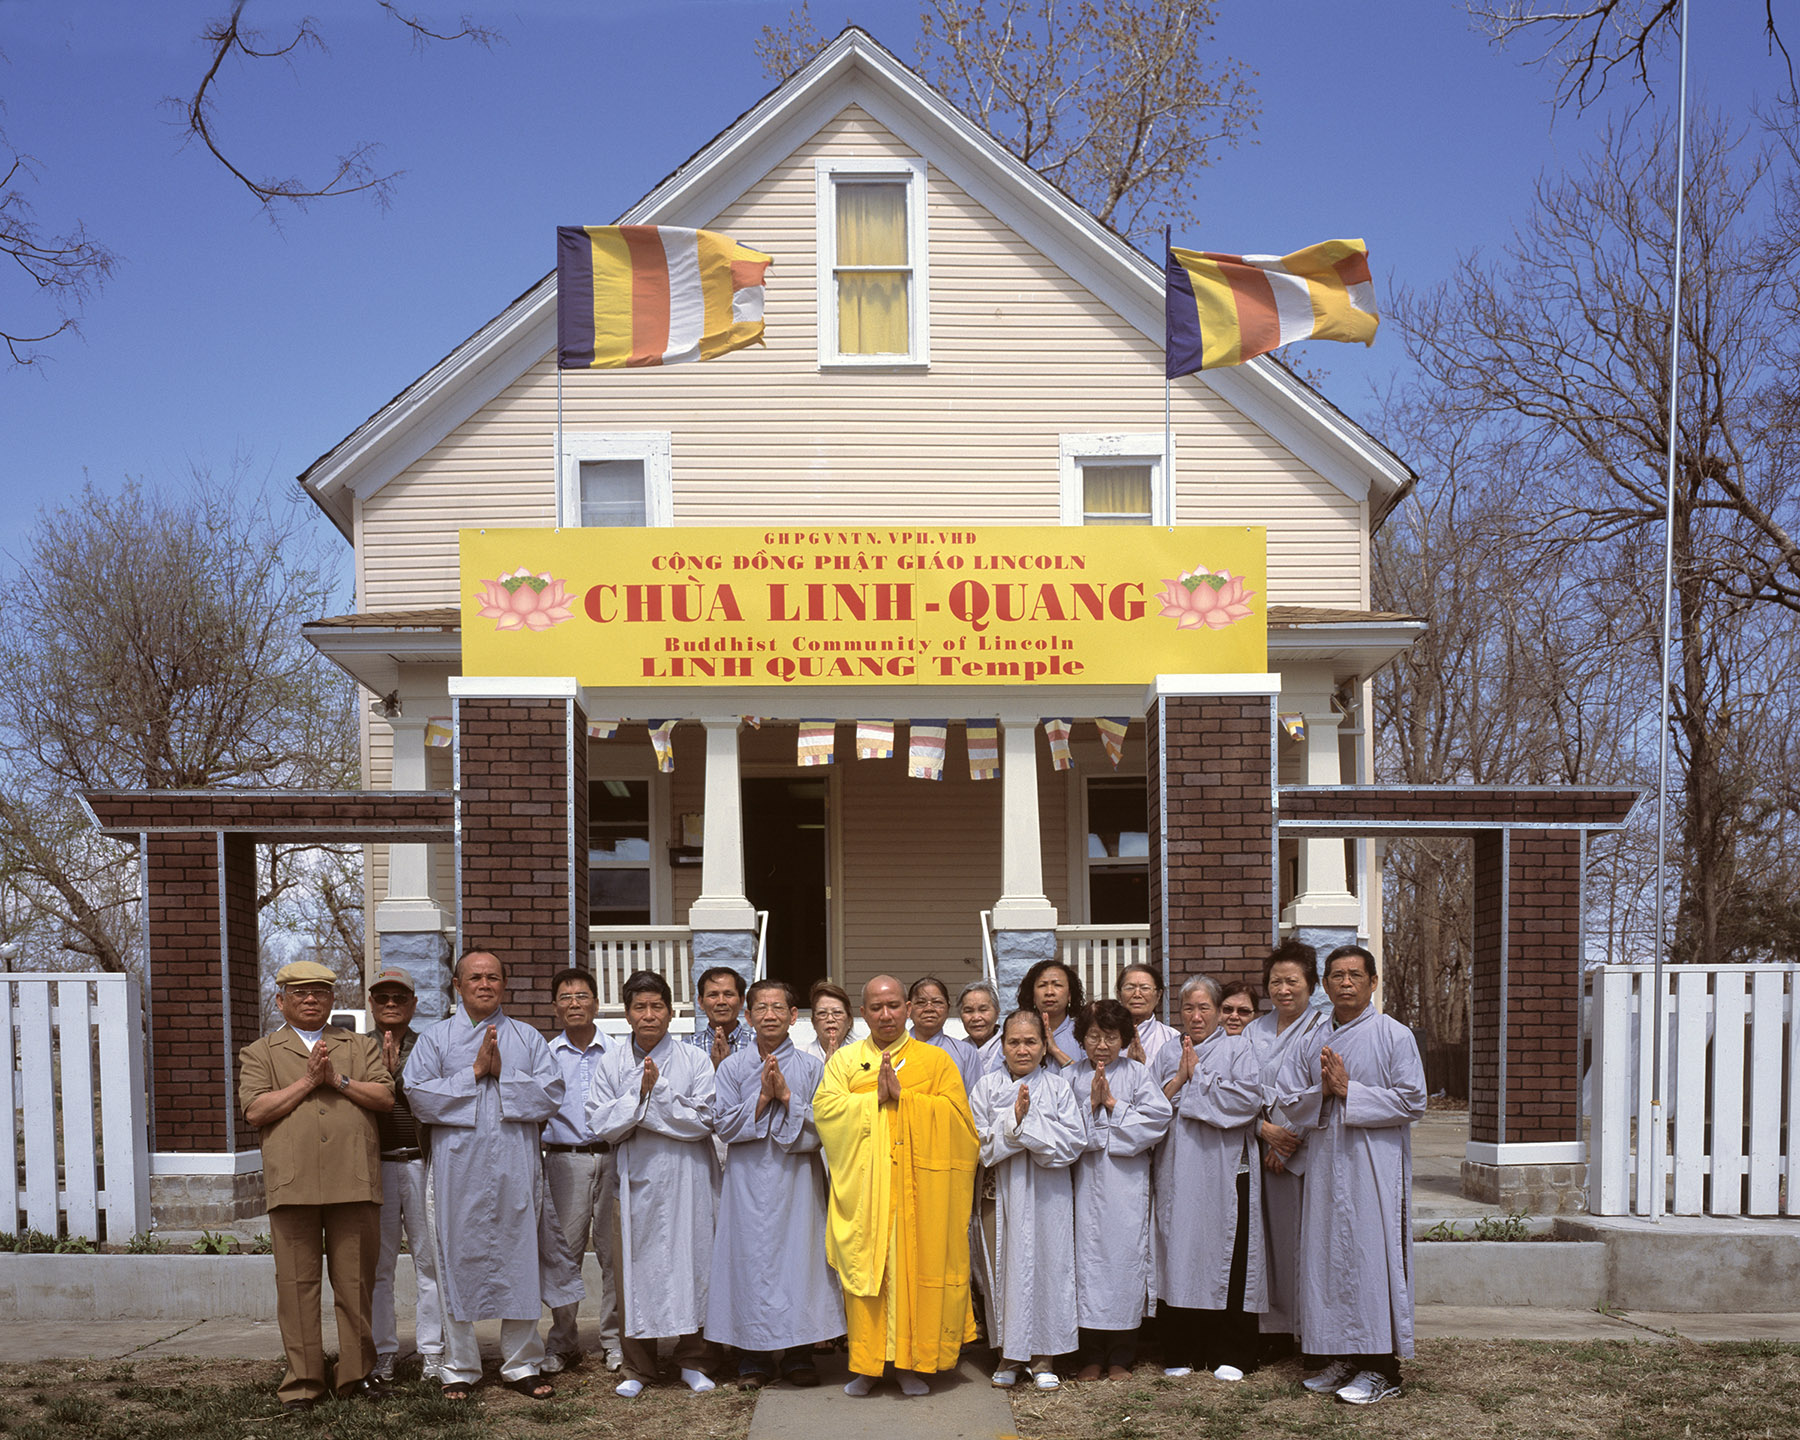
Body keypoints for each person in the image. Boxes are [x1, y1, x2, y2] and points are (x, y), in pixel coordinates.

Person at [404, 949, 578, 1401]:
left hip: (514, 1165)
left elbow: (551, 1094)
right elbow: (418, 1097)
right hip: (455, 1168)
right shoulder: (436, 1039)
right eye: (475, 977)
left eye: (494, 977)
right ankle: (459, 1365)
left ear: (505, 985)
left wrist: (504, 1074)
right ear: (457, 986)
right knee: (454, 1258)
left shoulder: (526, 1037)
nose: (485, 984)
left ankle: (522, 1362)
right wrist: (475, 1072)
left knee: (519, 1256)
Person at [239, 959, 395, 1411]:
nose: (311, 1000)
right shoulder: (261, 1052)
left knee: (355, 1284)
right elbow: (255, 1111)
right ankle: (304, 1383)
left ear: (332, 999)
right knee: (296, 1284)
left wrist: (338, 1079)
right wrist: (308, 1081)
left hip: (354, 1180)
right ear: (280, 1000)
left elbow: (384, 1098)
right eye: (300, 993)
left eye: (320, 993)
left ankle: (356, 1375)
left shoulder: (359, 1046)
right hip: (293, 1183)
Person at [1274, 944, 1426, 1407]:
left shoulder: (1394, 1035)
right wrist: (1322, 1093)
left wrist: (1349, 1090)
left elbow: (1412, 1101)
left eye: (1355, 975)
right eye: (1336, 975)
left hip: (1372, 1167)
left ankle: (1382, 1367)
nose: (1345, 983)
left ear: (1373, 983)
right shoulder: (1313, 1037)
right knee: (1329, 1260)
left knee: (1369, 1259)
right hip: (1325, 1162)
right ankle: (1342, 1355)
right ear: (1324, 985)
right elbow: (1289, 1094)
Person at [814, 974, 979, 1397]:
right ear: (862, 1012)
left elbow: (962, 1124)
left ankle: (913, 1364)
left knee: (916, 1275)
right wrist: (874, 1100)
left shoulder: (936, 1062)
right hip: (868, 1193)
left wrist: (907, 1101)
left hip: (920, 1195)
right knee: (871, 1279)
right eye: (875, 1007)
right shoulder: (845, 1062)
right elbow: (826, 1111)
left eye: (892, 1006)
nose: (885, 1015)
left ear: (907, 1008)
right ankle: (866, 1366)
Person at [705, 978, 844, 1388]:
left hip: (797, 1179)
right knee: (749, 1262)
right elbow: (723, 1124)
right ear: (747, 1017)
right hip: (747, 1180)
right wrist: (762, 1099)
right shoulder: (731, 1066)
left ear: (793, 1016)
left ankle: (800, 1353)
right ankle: (754, 1356)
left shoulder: (811, 1067)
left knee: (798, 1261)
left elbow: (826, 1127)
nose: (769, 1015)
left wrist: (787, 1096)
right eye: (761, 1008)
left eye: (778, 1008)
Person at [587, 969, 720, 1398]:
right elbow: (602, 1123)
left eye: (657, 1006)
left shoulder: (695, 1060)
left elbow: (703, 1120)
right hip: (634, 1183)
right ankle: (637, 1367)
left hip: (687, 1180)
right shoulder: (610, 1062)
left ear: (671, 1012)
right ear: (626, 1014)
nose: (649, 1015)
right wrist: (639, 1098)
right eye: (640, 1007)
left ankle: (694, 1359)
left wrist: (652, 1096)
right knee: (633, 1271)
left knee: (693, 1264)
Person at [1152, 975, 1265, 1383]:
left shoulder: (1239, 1049)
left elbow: (1246, 1102)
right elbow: (1151, 1105)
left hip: (1222, 1170)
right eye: (1188, 1009)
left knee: (1226, 1257)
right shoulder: (1167, 1051)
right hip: (1177, 1169)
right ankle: (1183, 1349)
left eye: (1204, 1008)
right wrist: (1181, 1081)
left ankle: (1231, 1351)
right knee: (1180, 1257)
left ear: (1219, 1012)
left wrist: (1194, 1082)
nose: (1195, 1016)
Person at [971, 1010, 1084, 1392]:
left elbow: (1072, 1143)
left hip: (1047, 1195)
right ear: (1002, 1047)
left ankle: (1045, 1356)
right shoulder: (985, 1087)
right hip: (998, 1194)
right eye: (1014, 1042)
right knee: (1002, 1271)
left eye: (1031, 1041)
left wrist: (1025, 1124)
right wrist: (1012, 1123)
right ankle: (1010, 1354)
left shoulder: (1059, 1087)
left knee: (1049, 1269)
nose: (1022, 1049)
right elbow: (977, 1144)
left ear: (1044, 1046)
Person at [1063, 998, 1171, 1381]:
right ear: (1082, 1038)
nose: (1102, 1045)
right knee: (1083, 1268)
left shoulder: (1139, 1075)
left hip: (1125, 1185)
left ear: (1124, 1038)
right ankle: (1090, 1354)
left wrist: (1111, 1103)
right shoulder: (1069, 1077)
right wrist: (1088, 1108)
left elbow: (1158, 1121)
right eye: (1094, 1036)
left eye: (1111, 1036)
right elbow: (1060, 1133)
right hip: (1079, 1184)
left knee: (1123, 1265)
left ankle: (1122, 1356)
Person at [1243, 940, 1327, 1358]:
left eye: (1292, 981)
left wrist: (1287, 1138)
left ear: (1311, 985)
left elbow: (1320, 1091)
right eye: (1276, 981)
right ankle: (1271, 1332)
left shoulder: (1323, 1030)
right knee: (1266, 1242)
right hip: (1258, 1145)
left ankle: (1306, 1331)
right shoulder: (1254, 1029)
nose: (1283, 989)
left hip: (1301, 1150)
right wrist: (1263, 1130)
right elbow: (1240, 1088)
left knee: (1302, 1242)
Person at [540, 966, 623, 1374]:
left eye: (582, 996)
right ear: (555, 1007)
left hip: (614, 1156)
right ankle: (562, 1341)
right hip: (563, 1159)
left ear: (596, 1002)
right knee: (563, 1254)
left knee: (614, 1253)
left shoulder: (618, 1051)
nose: (575, 1004)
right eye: (566, 998)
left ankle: (614, 1340)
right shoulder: (545, 1054)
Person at [365, 967, 441, 1384]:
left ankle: (432, 1350)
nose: (391, 1004)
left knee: (430, 1263)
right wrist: (383, 1076)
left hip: (420, 1162)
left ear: (413, 1004)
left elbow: (435, 1100)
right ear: (372, 1004)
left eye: (399, 998)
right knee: (380, 1266)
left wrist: (396, 1076)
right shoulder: (355, 1049)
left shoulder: (429, 1047)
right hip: (376, 1166)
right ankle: (384, 1352)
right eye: (383, 998)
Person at [909, 974, 983, 1096]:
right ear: (908, 1009)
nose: (929, 1008)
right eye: (921, 1003)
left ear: (948, 1008)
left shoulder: (965, 1053)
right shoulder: (894, 1050)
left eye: (937, 1002)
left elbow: (977, 1103)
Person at [1015, 959, 1084, 1070]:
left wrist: (1055, 1050)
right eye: (1042, 985)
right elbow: (999, 1078)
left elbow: (1090, 1081)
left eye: (1057, 985)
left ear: (1070, 995)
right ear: (1032, 995)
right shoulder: (1015, 1031)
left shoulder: (1083, 1032)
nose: (1049, 992)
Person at [687, 966, 755, 1068]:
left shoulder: (757, 1044)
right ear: (701, 1002)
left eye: (728, 994)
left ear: (741, 1001)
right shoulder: (688, 1047)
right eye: (713, 995)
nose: (721, 1002)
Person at [1117, 964, 1179, 1068]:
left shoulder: (1171, 1037)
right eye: (1130, 988)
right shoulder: (1105, 1036)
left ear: (1158, 995)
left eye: (1145, 988)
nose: (1137, 994)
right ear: (1119, 994)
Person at [798, 980, 855, 1062]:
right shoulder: (799, 1057)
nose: (830, 1019)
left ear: (849, 1020)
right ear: (813, 1022)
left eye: (837, 1013)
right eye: (822, 1013)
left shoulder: (862, 1054)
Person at [958, 980, 1002, 1071]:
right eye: (968, 1011)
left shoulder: (1010, 1046)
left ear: (997, 1012)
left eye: (983, 1010)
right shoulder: (957, 1050)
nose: (976, 1017)